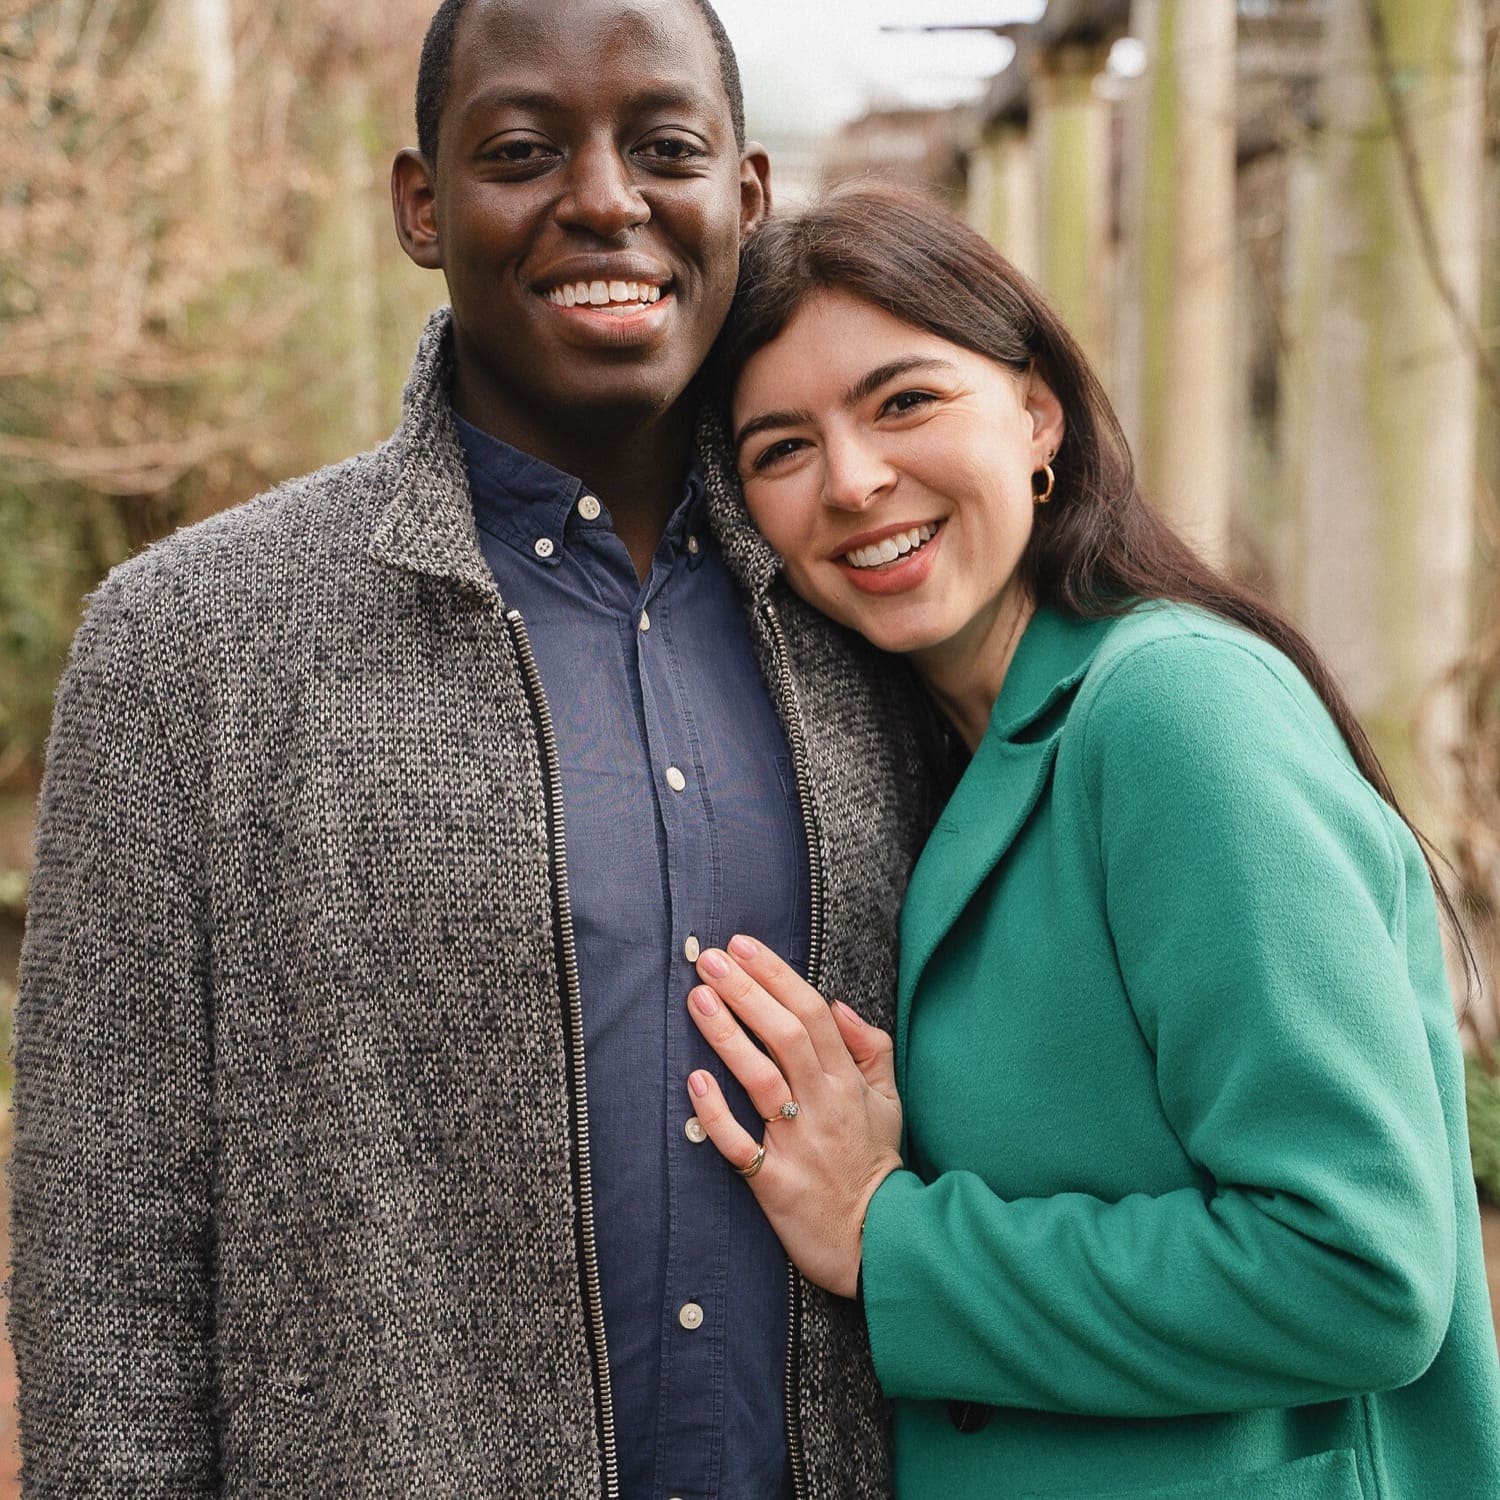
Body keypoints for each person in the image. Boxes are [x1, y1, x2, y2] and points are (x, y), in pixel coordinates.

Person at [10, 8, 940, 1496]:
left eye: (666, 148)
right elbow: (102, 1242)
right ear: (421, 206)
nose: (603, 198)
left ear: (747, 200)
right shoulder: (189, 642)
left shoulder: (881, 621)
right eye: (520, 152)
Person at [680, 183, 1500, 1499]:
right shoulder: (943, 759)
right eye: (781, 448)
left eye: (906, 402)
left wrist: (892, 1237)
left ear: (1038, 412)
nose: (853, 480)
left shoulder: (1175, 710)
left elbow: (1361, 1271)